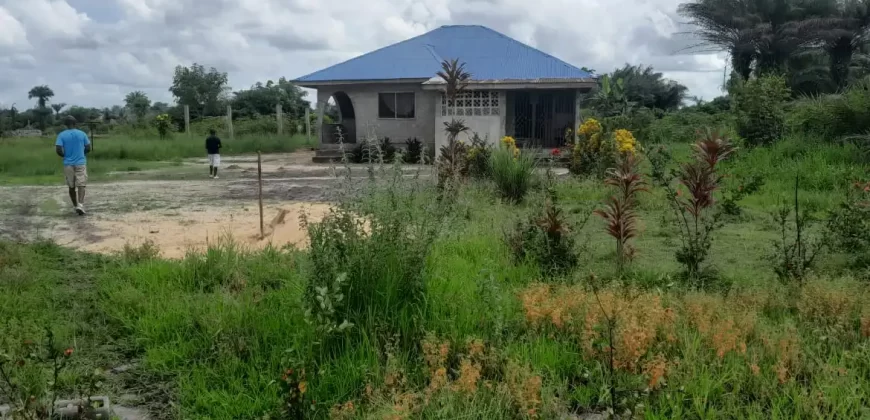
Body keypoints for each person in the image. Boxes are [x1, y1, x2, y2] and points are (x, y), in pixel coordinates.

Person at [55, 116, 91, 215]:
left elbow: (58, 149)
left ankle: (75, 206)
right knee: (81, 184)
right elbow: (88, 148)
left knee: (71, 186)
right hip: (80, 162)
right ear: (75, 123)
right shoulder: (82, 134)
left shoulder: (61, 135)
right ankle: (80, 204)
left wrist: (65, 155)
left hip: (68, 164)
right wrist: (81, 154)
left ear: (65, 124)